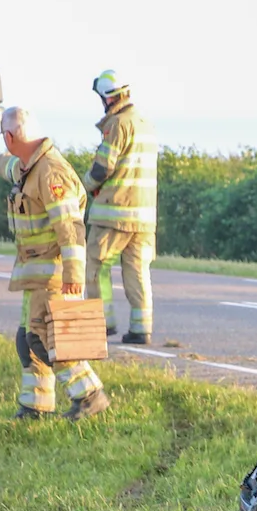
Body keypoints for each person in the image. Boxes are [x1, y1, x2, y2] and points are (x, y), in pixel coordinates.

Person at [0, 107, 109, 421]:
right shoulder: (26, 166)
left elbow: (70, 227)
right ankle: (36, 406)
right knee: (28, 340)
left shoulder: (50, 171)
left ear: (10, 136)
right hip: (35, 275)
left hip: (54, 275)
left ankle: (90, 395)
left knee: (48, 338)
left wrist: (74, 275)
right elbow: (2, 164)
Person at [82, 70, 158, 345]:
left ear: (107, 97)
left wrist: (84, 187)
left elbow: (103, 167)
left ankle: (101, 325)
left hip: (114, 214)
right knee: (137, 271)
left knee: (94, 266)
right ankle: (141, 329)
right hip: (145, 217)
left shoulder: (116, 125)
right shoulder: (145, 124)